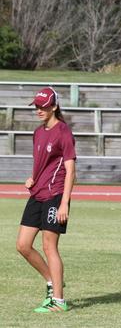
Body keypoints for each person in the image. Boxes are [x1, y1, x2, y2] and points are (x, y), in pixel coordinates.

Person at [16, 86, 76, 313]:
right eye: (37, 106)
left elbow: (71, 171)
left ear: (54, 106)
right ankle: (53, 280)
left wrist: (64, 203)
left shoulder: (64, 132)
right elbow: (42, 163)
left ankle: (59, 301)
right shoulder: (38, 132)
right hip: (37, 194)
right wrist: (32, 178)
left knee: (49, 246)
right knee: (22, 246)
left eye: (43, 106)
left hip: (55, 195)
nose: (39, 110)